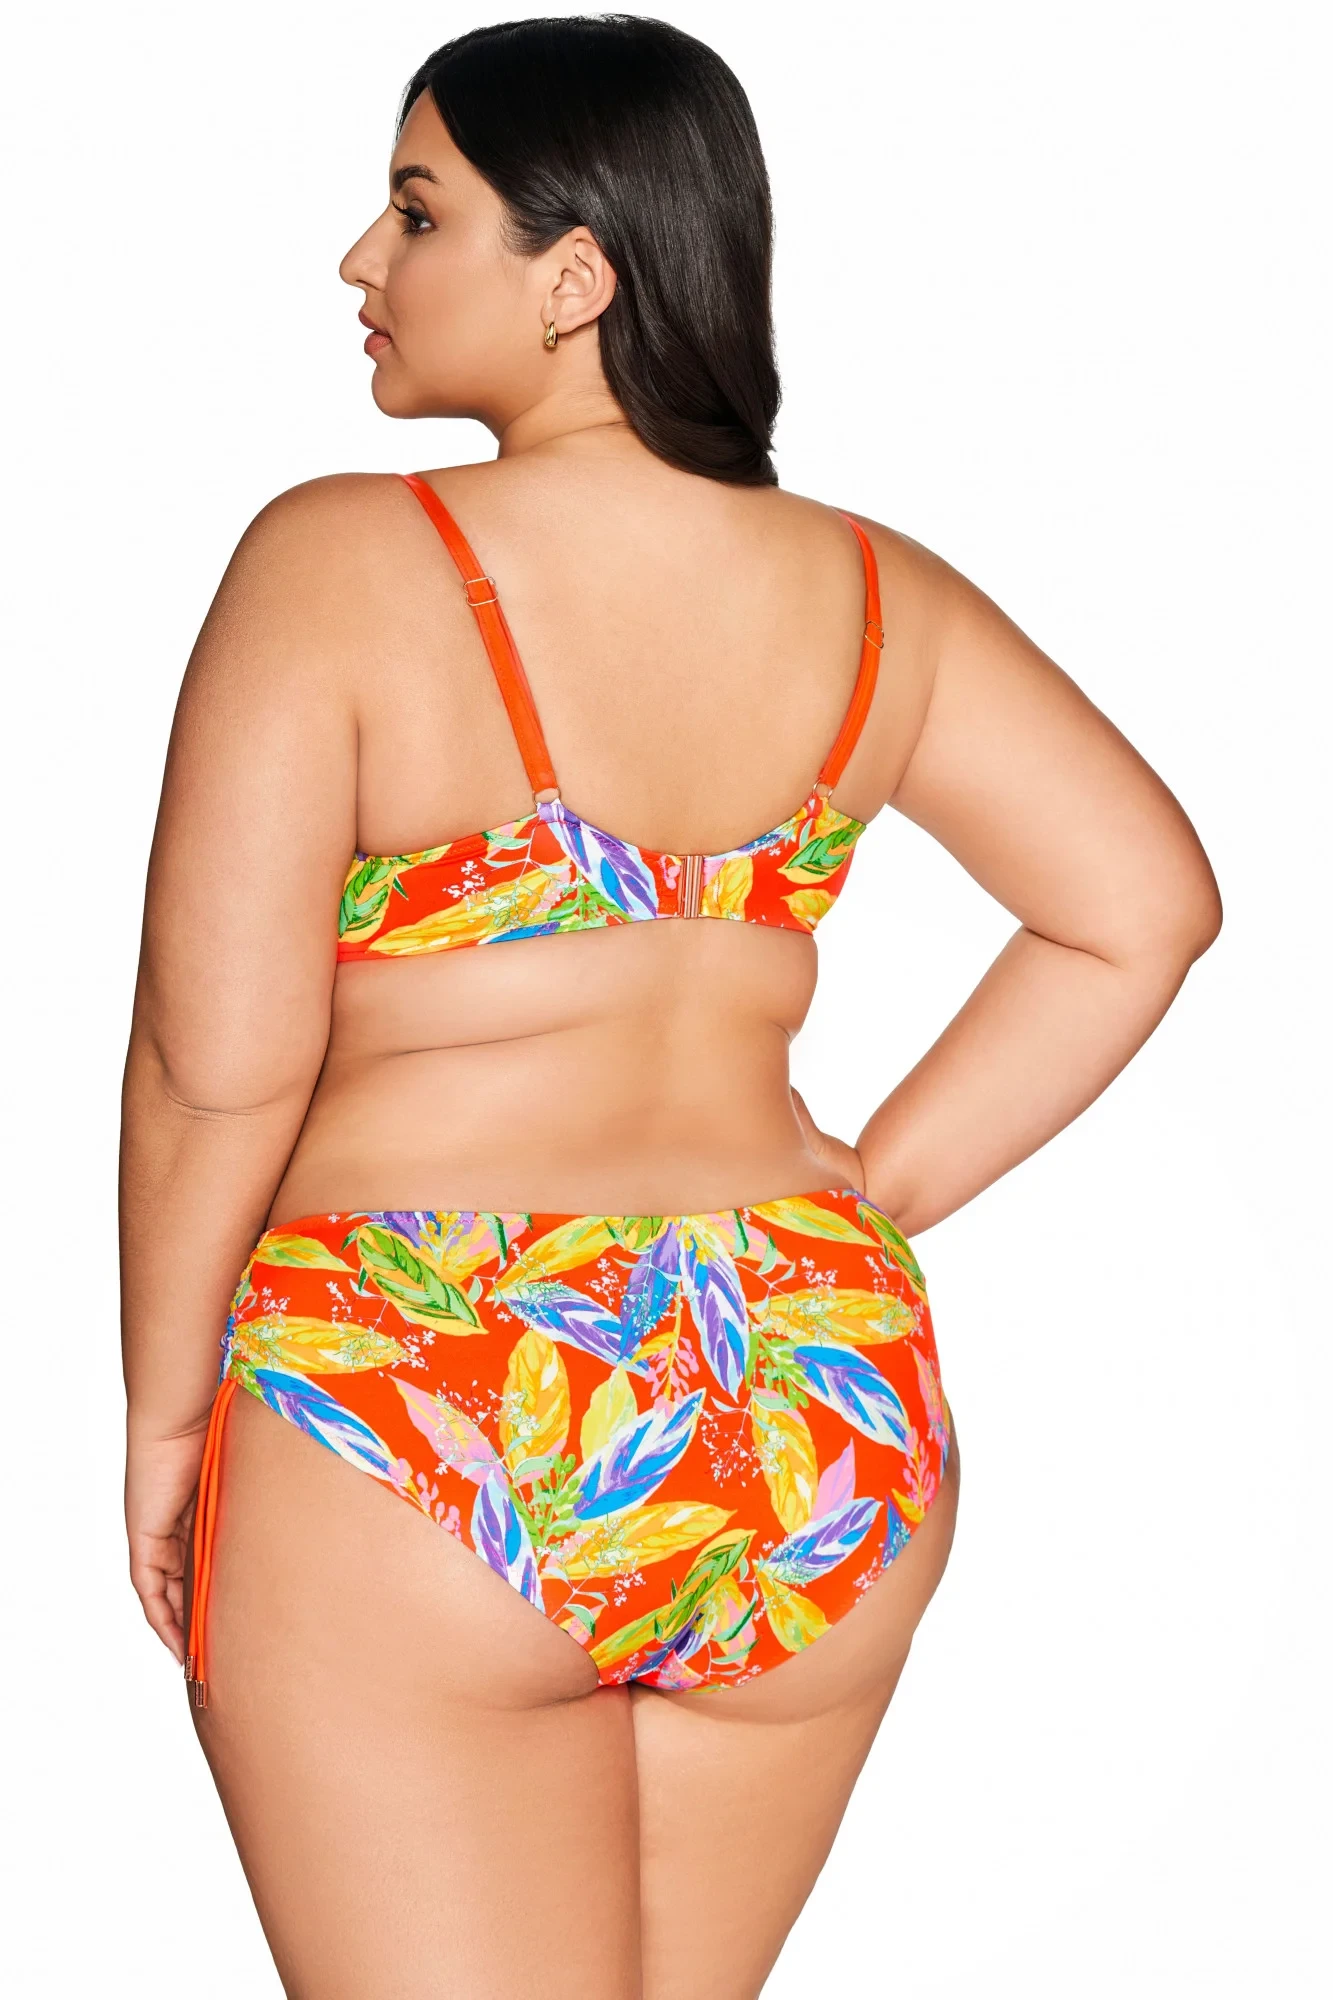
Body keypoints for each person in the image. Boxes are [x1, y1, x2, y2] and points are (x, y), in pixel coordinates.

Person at [119, 16, 1221, 1997]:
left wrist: (168, 1410)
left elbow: (219, 1069)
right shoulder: (875, 595)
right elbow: (1141, 908)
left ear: (577, 275)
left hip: (426, 1372)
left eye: (415, 211)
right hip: (806, 1387)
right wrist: (871, 1195)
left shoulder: (338, 560)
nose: (361, 260)